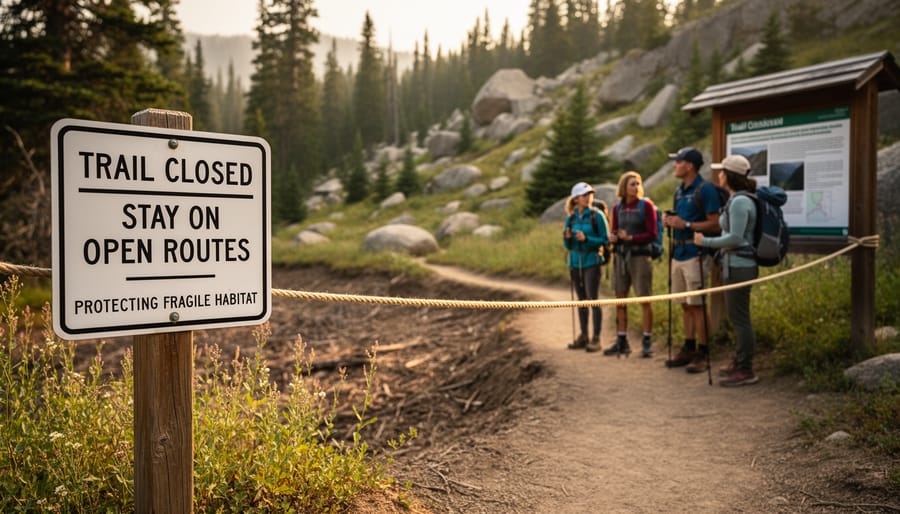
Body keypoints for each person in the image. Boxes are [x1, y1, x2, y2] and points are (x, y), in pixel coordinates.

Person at [694, 155, 760, 386]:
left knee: (740, 319)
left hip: (740, 266)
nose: (719, 175)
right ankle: (740, 361)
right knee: (737, 317)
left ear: (730, 175)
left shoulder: (741, 202)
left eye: (722, 171)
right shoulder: (736, 199)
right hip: (734, 265)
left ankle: (746, 369)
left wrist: (705, 243)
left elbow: (735, 238)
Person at [662, 147, 722, 374]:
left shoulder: (705, 190)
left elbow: (715, 224)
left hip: (695, 255)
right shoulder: (679, 191)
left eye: (678, 162)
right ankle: (688, 347)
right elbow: (681, 220)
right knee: (685, 305)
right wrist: (671, 222)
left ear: (689, 165)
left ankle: (704, 352)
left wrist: (685, 225)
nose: (675, 165)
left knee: (697, 305)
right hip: (677, 254)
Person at [604, 171, 657, 358]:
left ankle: (647, 341)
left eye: (638, 184)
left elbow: (653, 234)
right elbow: (615, 230)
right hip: (620, 257)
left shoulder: (646, 206)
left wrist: (632, 237)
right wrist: (613, 237)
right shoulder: (617, 208)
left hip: (640, 257)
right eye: (632, 184)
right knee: (620, 299)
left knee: (644, 299)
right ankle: (621, 340)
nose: (636, 187)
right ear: (623, 187)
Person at [563, 181, 609, 352]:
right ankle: (584, 335)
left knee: (593, 299)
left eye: (590, 194)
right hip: (575, 262)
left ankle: (596, 338)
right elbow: (567, 246)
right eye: (584, 195)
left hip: (592, 261)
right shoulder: (571, 218)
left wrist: (587, 239)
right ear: (575, 199)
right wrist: (568, 238)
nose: (588, 197)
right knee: (581, 300)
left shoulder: (597, 216)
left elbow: (605, 240)